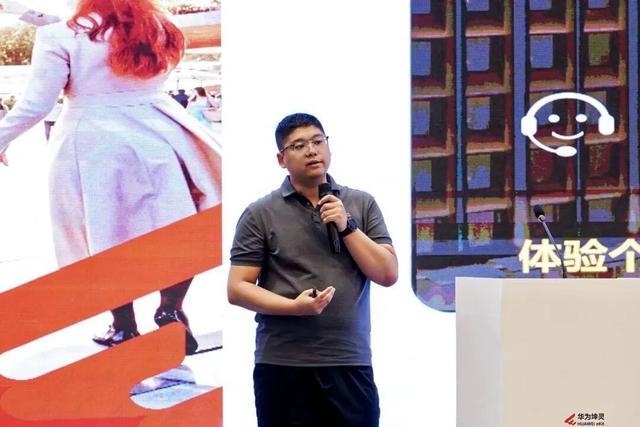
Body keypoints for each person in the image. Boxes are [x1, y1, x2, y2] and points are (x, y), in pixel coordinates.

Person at [0, 0, 221, 355]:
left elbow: (36, 105)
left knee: (105, 234)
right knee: (177, 228)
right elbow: (106, 32)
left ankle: (123, 326)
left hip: (93, 141)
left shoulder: (59, 36)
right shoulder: (160, 27)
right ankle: (171, 308)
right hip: (161, 129)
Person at [228, 113, 398, 427]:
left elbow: (387, 274)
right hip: (283, 364)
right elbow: (238, 288)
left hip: (349, 361)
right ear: (281, 159)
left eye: (318, 141)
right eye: (298, 145)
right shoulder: (259, 213)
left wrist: (347, 226)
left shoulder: (361, 204)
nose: (311, 151)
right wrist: (294, 308)